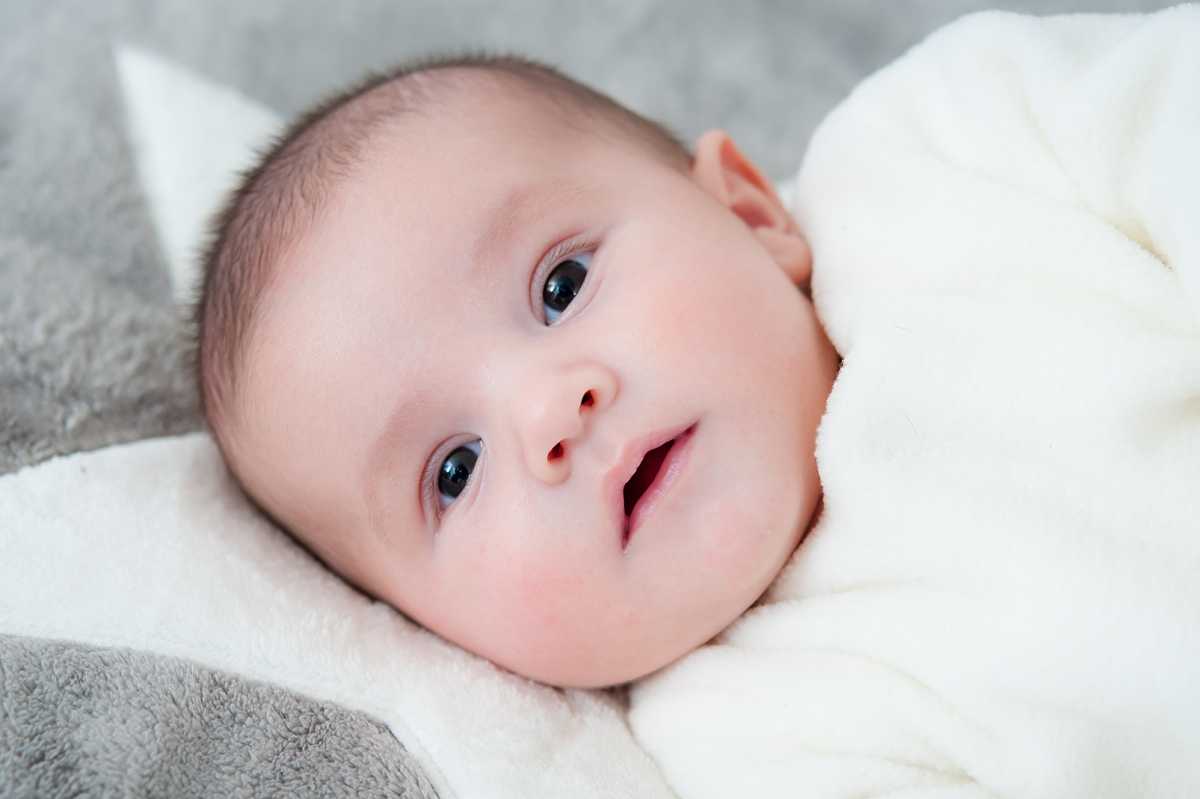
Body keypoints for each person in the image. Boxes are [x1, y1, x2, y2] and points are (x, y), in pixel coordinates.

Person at [193, 55, 841, 689]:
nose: (547, 412)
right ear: (435, 634)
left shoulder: (909, 191)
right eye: (456, 470)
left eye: (563, 286)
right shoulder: (738, 746)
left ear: (749, 213)